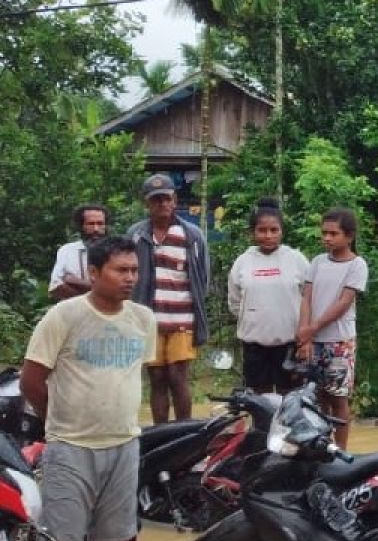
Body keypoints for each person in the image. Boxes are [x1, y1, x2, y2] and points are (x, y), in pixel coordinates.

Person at [19, 236, 156, 541]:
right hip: (70, 447)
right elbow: (31, 381)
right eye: (120, 270)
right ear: (94, 273)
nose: (130, 277)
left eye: (134, 270)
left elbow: (129, 378)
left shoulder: (143, 319)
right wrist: (57, 423)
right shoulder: (64, 315)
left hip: (125, 445)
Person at [128, 173, 211, 424]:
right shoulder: (135, 235)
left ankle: (184, 432)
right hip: (149, 319)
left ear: (174, 200)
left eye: (166, 199)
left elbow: (203, 276)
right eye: (156, 200)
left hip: (182, 317)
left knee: (178, 376)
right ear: (147, 203)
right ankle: (161, 433)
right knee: (157, 378)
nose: (162, 204)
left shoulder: (191, 235)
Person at [296, 207, 368, 449]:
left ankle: (341, 451)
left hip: (340, 341)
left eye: (333, 233)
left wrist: (312, 327)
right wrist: (304, 334)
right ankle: (321, 447)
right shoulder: (317, 262)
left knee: (338, 397)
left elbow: (344, 303)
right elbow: (306, 298)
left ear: (349, 236)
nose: (327, 238)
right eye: (324, 233)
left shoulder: (357, 265)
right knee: (317, 397)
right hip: (314, 340)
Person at [227, 198, 309, 394]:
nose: (268, 235)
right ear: (252, 233)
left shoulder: (296, 260)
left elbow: (309, 298)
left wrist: (304, 336)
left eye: (274, 230)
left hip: (289, 346)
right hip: (254, 347)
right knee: (258, 400)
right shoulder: (242, 262)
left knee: (290, 400)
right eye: (262, 230)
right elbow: (235, 302)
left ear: (282, 231)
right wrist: (256, 318)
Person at [49, 203, 109, 301]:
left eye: (100, 223)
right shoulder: (67, 250)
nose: (96, 229)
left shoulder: (116, 252)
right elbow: (55, 287)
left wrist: (74, 281)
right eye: (91, 224)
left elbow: (118, 289)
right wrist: (97, 296)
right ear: (81, 226)